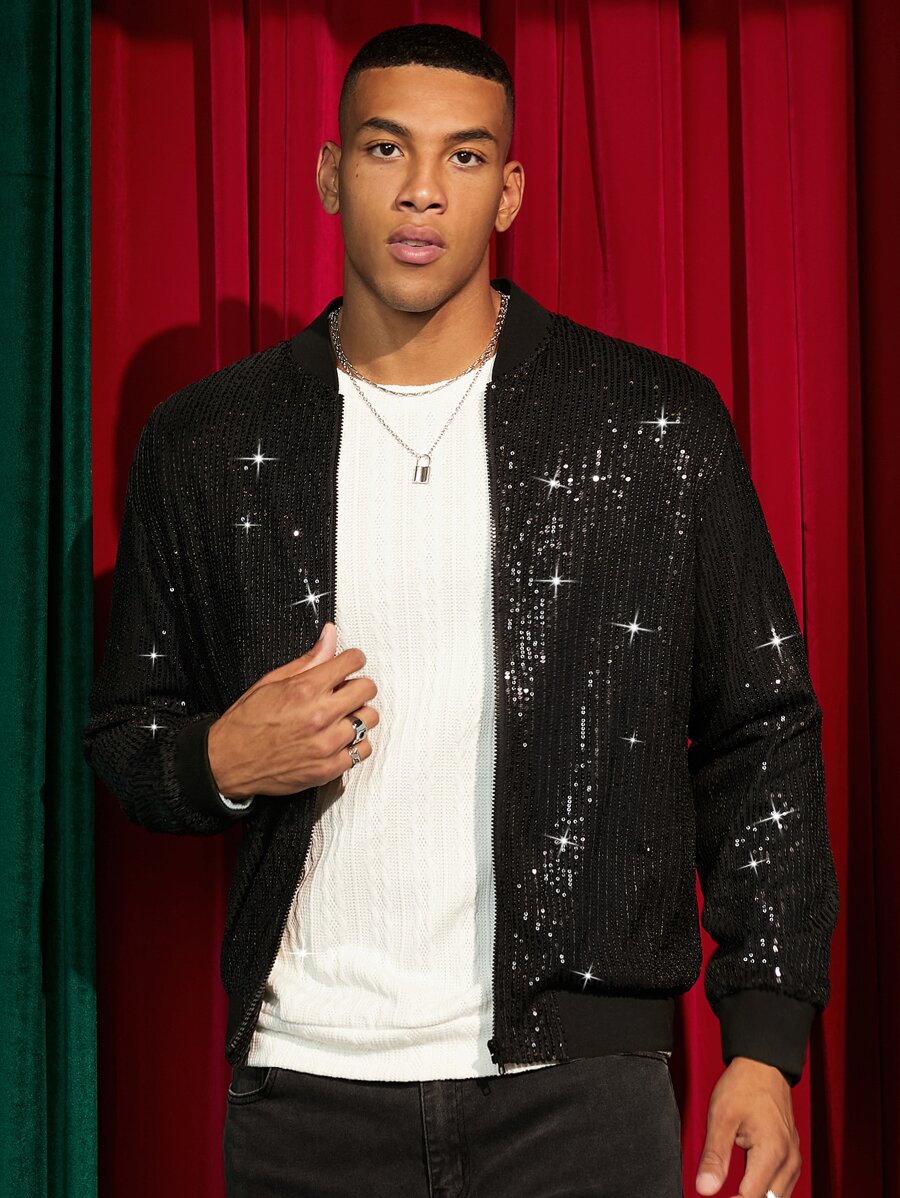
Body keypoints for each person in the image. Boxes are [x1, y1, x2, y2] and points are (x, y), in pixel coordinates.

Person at [83, 21, 839, 1198]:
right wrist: (220, 758)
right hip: (306, 1092)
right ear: (331, 173)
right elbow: (129, 732)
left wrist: (764, 1039)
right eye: (386, 149)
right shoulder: (210, 441)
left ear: (511, 190)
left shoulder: (651, 425)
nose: (424, 189)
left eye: (466, 155)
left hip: (578, 1096)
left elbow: (762, 729)